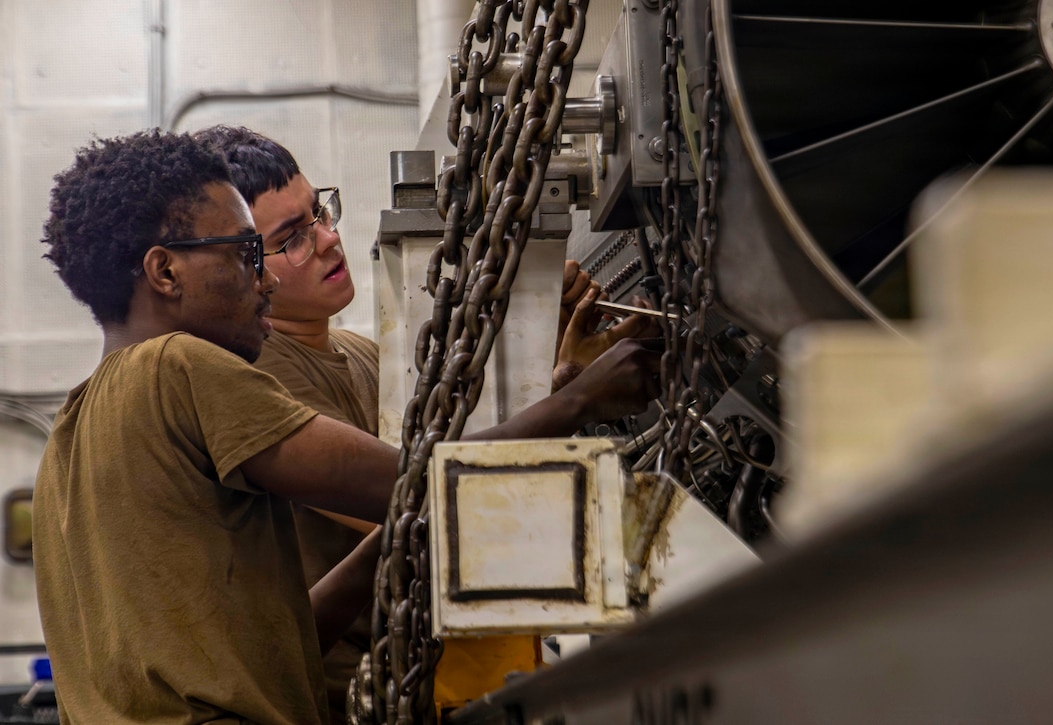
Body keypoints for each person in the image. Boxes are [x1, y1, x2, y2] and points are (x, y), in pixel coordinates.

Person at [33, 129, 660, 724]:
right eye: (251, 252)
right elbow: (416, 487)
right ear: (166, 272)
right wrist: (577, 402)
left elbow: (282, 640)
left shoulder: (69, 434)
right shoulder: (178, 367)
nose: (268, 276)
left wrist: (395, 538)